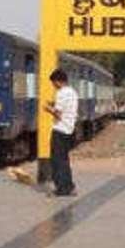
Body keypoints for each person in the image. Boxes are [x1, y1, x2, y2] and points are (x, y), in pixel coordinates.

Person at [44, 68, 78, 196]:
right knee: (64, 160)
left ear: (58, 81)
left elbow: (58, 114)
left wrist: (48, 108)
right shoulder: (73, 92)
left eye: (53, 83)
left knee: (56, 160)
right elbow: (67, 108)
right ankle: (69, 186)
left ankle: (61, 189)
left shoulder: (61, 93)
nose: (53, 85)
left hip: (60, 130)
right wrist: (54, 104)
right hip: (69, 129)